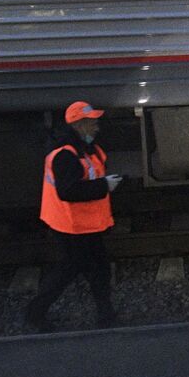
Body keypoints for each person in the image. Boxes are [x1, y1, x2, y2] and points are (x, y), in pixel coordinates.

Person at [24, 101, 123, 331]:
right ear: (80, 125)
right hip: (71, 226)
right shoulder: (65, 155)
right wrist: (104, 186)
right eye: (93, 122)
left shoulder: (83, 149)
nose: (97, 126)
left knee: (97, 269)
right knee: (70, 271)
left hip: (84, 225)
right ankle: (35, 313)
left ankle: (106, 316)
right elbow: (68, 191)